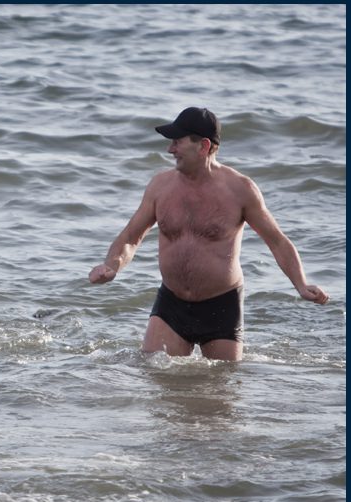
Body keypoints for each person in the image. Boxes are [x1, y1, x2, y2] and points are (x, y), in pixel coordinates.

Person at [89, 106, 329, 361]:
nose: (170, 150)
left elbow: (277, 241)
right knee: (155, 378)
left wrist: (301, 284)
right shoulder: (160, 187)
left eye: (177, 142)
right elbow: (130, 237)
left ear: (203, 146)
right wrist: (111, 265)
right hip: (172, 303)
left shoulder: (240, 190)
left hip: (221, 305)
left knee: (220, 392)